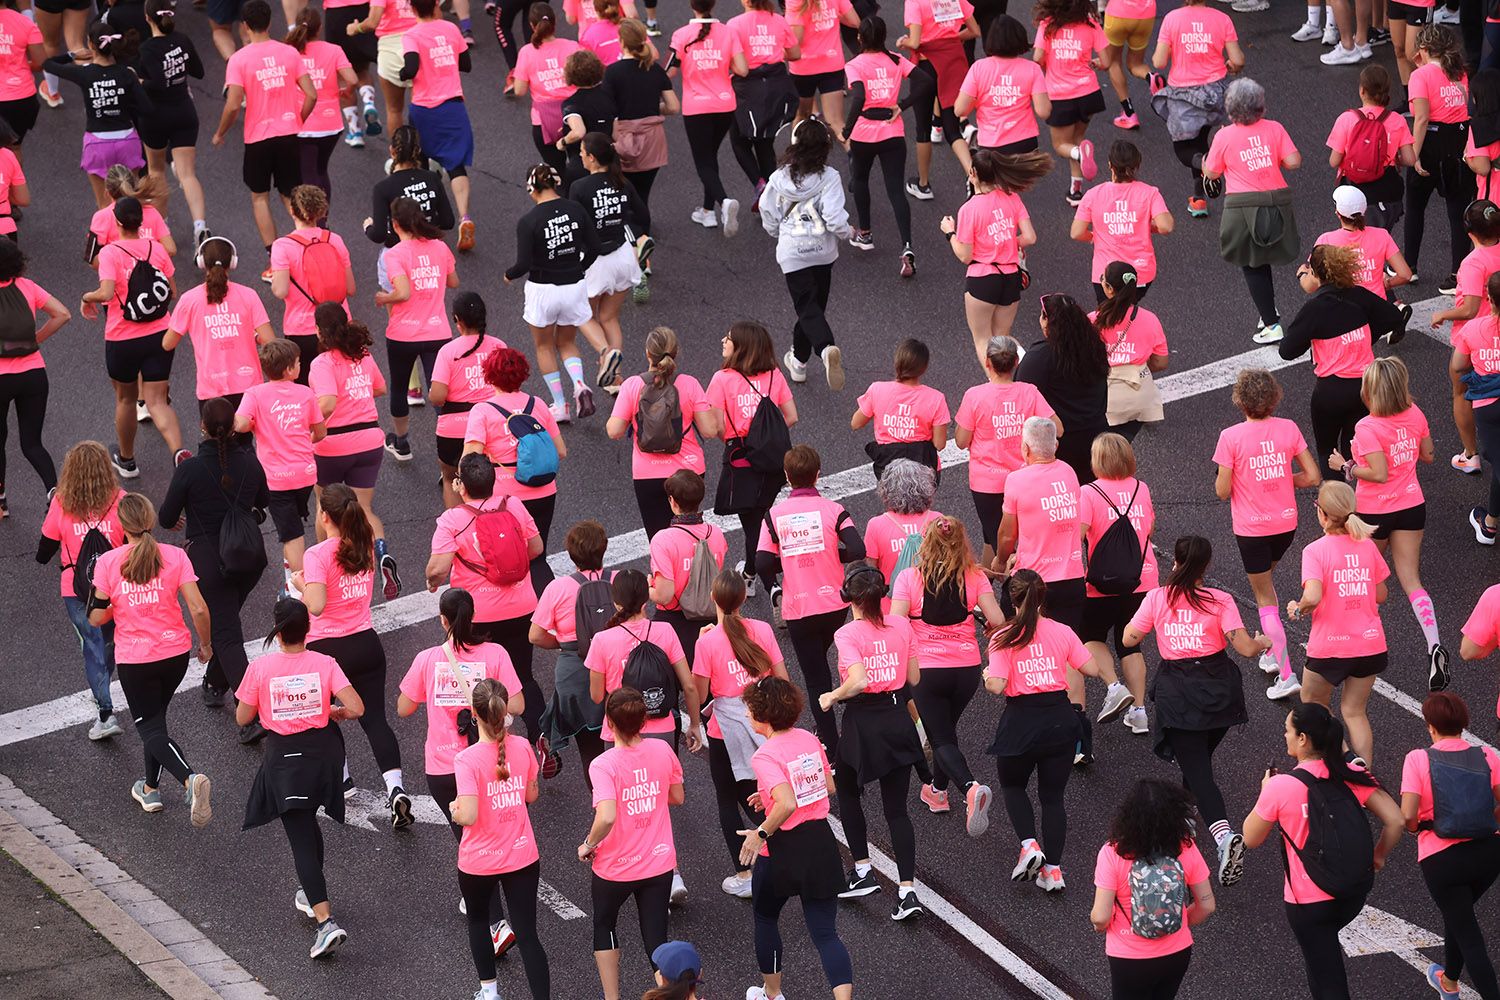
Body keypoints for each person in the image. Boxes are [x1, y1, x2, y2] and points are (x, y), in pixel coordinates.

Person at [1123, 535, 1270, 886]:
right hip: (1220, 688)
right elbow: (1246, 649)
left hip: (1180, 691)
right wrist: (1263, 641)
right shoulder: (1220, 599)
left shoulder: (1158, 597)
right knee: (1198, 760)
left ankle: (1223, 838)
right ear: (1206, 566)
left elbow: (1130, 638)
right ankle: (1188, 817)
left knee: (1199, 770)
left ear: (1174, 560)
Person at [1241, 703, 1404, 1000]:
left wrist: (1266, 791)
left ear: (1303, 738)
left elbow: (1250, 839)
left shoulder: (1280, 786)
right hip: (1353, 892)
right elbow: (1396, 820)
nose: (1285, 736)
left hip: (1308, 903)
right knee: (1319, 963)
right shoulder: (1351, 773)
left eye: (1288, 730)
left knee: (1329, 980)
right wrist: (1378, 855)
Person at [395, 589, 525, 957]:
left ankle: (495, 922)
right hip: (487, 759)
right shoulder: (495, 654)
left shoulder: (428, 659)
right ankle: (495, 912)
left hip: (443, 766)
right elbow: (517, 703)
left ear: (443, 619)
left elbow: (404, 707)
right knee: (493, 832)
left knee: (469, 840)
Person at [235, 598, 362, 959]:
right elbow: (357, 708)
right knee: (308, 824)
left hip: (285, 758)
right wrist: (332, 710)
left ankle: (325, 923)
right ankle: (310, 893)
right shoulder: (325, 663)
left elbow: (243, 717)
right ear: (307, 629)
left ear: (277, 632)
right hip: (322, 755)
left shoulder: (261, 668)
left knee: (301, 837)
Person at [89, 493, 213, 826]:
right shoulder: (175, 556)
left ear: (121, 525)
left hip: (136, 659)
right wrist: (206, 645)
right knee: (155, 721)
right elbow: (198, 607)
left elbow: (95, 618)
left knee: (149, 729)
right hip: (175, 655)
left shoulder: (108, 562)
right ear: (150, 520)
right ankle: (150, 788)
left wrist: (118, 601)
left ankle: (190, 780)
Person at [295, 482, 412, 826]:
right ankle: (395, 789)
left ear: (324, 516)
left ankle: (343, 780)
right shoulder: (364, 546)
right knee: (375, 720)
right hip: (366, 643)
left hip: (327, 650)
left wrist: (301, 586)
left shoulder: (317, 555)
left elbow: (315, 606)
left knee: (326, 715)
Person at [1327, 358, 1445, 690]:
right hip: (1411, 505)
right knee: (1412, 580)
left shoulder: (1366, 427)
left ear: (1370, 390)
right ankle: (1433, 643)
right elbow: (1430, 454)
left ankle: (1359, 645)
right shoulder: (1415, 414)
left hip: (1373, 512)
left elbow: (1377, 474)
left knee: (1364, 579)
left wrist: (1345, 466)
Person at [158, 397, 270, 737]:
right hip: (249, 557)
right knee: (226, 623)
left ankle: (251, 716)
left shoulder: (189, 469)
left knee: (226, 634)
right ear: (235, 427)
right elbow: (262, 501)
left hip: (209, 562)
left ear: (202, 428)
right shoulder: (250, 463)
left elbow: (165, 517)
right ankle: (214, 683)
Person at [741, 675, 854, 1000]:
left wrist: (760, 832)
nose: (747, 715)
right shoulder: (806, 737)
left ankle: (772, 994)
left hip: (781, 849)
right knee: (825, 933)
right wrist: (770, 795)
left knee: (765, 917)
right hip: (819, 841)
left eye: (750, 710)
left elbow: (788, 802)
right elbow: (827, 787)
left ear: (763, 715)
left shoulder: (764, 756)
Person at [821, 564, 924, 918]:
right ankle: (907, 892)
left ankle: (863, 870)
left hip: (863, 723)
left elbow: (859, 682)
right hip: (897, 719)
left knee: (847, 790)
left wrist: (832, 696)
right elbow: (913, 676)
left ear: (850, 599)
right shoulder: (901, 623)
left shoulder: (847, 634)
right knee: (897, 810)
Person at [425, 453, 547, 747]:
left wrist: (432, 579)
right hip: (522, 607)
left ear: (460, 486)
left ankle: (487, 744)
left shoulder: (452, 519)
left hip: (478, 615)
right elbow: (536, 547)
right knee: (522, 675)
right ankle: (540, 735)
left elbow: (438, 568)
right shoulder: (514, 505)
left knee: (479, 682)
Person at [985, 570, 1098, 890]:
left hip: (1022, 720)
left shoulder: (1002, 637)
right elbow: (1089, 668)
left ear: (1013, 599)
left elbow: (997, 685)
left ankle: (1029, 845)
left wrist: (986, 676)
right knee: (1053, 798)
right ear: (1042, 596)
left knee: (1012, 785)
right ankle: (1053, 871)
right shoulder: (1061, 631)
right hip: (1061, 719)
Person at [890, 515, 1002, 834]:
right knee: (946, 732)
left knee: (939, 737)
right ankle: (938, 792)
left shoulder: (909, 578)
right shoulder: (974, 576)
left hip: (927, 670)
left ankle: (968, 788)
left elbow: (897, 626)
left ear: (925, 543)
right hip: (966, 669)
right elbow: (997, 618)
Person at [756, 444, 867, 754]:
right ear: (818, 475)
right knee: (827, 661)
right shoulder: (834, 510)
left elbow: (763, 562)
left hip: (799, 609)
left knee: (816, 676)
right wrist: (830, 552)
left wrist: (790, 558)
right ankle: (841, 722)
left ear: (788, 477)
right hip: (835, 605)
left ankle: (831, 745)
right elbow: (857, 550)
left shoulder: (773, 516)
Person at [580, 687, 685, 1000]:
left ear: (609, 724)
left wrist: (588, 843)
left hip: (615, 866)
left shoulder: (603, 764)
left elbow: (607, 816)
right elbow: (677, 797)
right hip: (659, 862)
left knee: (605, 925)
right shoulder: (662, 751)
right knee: (656, 938)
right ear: (643, 722)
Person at [452, 677, 551, 1000]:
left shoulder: (467, 759)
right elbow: (531, 795)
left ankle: (489, 991)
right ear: (505, 710)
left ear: (474, 714)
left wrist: (454, 809)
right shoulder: (522, 747)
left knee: (479, 921)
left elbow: (467, 815)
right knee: (528, 934)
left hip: (479, 860)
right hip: (522, 855)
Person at [692, 569, 788, 898]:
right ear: (744, 599)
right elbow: (783, 678)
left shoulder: (707, 642)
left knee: (728, 800)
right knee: (760, 794)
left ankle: (744, 872)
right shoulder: (761, 629)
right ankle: (780, 847)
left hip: (724, 732)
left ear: (713, 599)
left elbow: (701, 692)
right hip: (763, 725)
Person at [1401, 691, 1500, 1000]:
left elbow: (1407, 814)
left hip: (1442, 859)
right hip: (1489, 853)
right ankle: (1449, 982)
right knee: (1459, 915)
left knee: (1470, 937)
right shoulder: (1487, 755)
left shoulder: (1418, 759)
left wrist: (1417, 829)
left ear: (1431, 726)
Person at [80, 196, 186, 478]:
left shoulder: (110, 253)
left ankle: (127, 461)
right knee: (158, 401)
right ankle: (180, 455)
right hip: (159, 334)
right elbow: (172, 291)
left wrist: (86, 298)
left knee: (126, 400)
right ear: (142, 222)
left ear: (116, 222)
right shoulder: (156, 248)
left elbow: (104, 293)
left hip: (122, 337)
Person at [1281, 243, 1407, 479]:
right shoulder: (1358, 295)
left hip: (1330, 391)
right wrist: (1368, 336)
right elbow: (1393, 317)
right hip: (1365, 389)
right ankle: (1361, 496)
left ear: (1316, 274)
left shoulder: (1314, 309)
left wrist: (1313, 337)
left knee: (1328, 452)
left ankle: (1337, 507)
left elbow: (1286, 351)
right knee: (1356, 449)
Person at [1288, 481, 1389, 767]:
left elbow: (1314, 595)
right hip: (1370, 643)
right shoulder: (1367, 546)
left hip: (1330, 647)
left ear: (1322, 514)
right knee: (1355, 711)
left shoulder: (1315, 551)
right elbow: (1381, 593)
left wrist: (1298, 608)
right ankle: (1364, 776)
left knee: (1313, 707)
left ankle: (1343, 755)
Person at [1090, 779, 1217, 1000]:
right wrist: (1178, 922)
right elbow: (1206, 905)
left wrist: (1099, 924)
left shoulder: (1113, 852)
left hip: (1128, 958)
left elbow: (1100, 917)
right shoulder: (1186, 848)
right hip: (1177, 952)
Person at [505, 163, 613, 423]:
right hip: (574, 286)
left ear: (532, 187)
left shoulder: (528, 220)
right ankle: (580, 385)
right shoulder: (575, 209)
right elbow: (596, 247)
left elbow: (523, 264)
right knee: (566, 342)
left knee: (544, 347)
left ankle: (561, 405)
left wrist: (508, 275)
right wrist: (579, 267)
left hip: (543, 291)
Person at [212, 0, 317, 267]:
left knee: (259, 197)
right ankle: (307, 245)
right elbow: (311, 95)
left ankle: (275, 260)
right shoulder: (289, 53)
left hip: (258, 139)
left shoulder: (238, 59)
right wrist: (297, 120)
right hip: (288, 134)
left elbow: (234, 103)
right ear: (270, 22)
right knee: (290, 194)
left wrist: (220, 132)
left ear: (245, 26)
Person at [308, 307, 400, 600]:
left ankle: (325, 569)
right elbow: (381, 388)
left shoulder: (322, 362)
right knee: (364, 508)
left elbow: (327, 403)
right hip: (369, 439)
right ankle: (381, 553)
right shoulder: (364, 355)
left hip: (332, 444)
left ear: (321, 331)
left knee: (324, 509)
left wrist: (304, 420)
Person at [1201, 78, 1302, 344]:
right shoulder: (1275, 128)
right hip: (1277, 201)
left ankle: (1271, 324)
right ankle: (1268, 311)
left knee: (1251, 263)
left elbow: (1211, 172)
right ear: (1260, 105)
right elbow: (1293, 162)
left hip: (1242, 205)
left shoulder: (1223, 135)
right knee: (1263, 259)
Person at [37, 442, 125, 740]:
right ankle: (106, 689)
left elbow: (44, 549)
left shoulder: (62, 503)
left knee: (92, 646)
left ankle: (105, 712)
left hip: (76, 590)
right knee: (109, 642)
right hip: (115, 589)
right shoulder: (120, 500)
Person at [463, 347, 568, 595]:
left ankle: (514, 613)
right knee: (537, 556)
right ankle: (550, 610)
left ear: (488, 375)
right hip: (543, 492)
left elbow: (470, 458)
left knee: (505, 558)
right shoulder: (538, 404)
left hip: (504, 499)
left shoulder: (483, 410)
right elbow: (560, 450)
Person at [760, 118, 852, 390]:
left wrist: (778, 234)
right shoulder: (830, 177)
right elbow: (835, 220)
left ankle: (825, 349)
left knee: (807, 309)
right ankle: (799, 362)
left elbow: (768, 212)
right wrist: (849, 233)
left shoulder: (778, 178)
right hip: (823, 252)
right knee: (813, 309)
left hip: (793, 253)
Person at [940, 150, 1052, 366]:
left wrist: (949, 232)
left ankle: (996, 387)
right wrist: (1008, 243)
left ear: (973, 173)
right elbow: (1030, 237)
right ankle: (1028, 369)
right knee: (1004, 336)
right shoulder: (1012, 197)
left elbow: (965, 255)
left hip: (983, 278)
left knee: (983, 339)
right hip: (1010, 276)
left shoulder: (969, 209)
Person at [708, 319, 797, 589]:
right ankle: (749, 573)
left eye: (728, 338)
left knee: (754, 527)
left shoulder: (722, 379)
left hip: (741, 459)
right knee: (761, 517)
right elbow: (791, 416)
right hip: (772, 459)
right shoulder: (774, 375)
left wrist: (735, 438)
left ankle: (773, 586)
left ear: (741, 347)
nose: (723, 341)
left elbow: (716, 427)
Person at [954, 336, 1058, 564]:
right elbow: (1056, 428)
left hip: (986, 484)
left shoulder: (974, 395)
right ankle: (987, 589)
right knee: (994, 538)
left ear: (987, 362)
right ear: (1016, 364)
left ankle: (1012, 593)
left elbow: (961, 441)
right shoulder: (1029, 392)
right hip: (1025, 478)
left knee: (1004, 546)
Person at [1078, 433, 1157, 736]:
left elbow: (1080, 533)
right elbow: (1149, 526)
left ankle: (1113, 686)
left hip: (1101, 582)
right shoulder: (1142, 488)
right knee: (1131, 643)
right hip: (1142, 578)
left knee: (1091, 635)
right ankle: (1139, 712)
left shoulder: (1089, 492)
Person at [606, 326, 717, 537]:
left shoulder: (633, 385)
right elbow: (710, 430)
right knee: (691, 535)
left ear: (648, 353)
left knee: (659, 540)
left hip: (648, 474)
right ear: (676, 353)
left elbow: (614, 431)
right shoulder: (690, 384)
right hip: (689, 472)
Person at [234, 341, 325, 593]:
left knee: (292, 534)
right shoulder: (306, 394)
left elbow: (240, 424)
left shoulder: (254, 394)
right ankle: (292, 571)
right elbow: (320, 431)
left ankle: (302, 587)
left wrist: (249, 423)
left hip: (276, 479)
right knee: (294, 523)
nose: (300, 365)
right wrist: (307, 440)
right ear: (288, 369)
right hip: (306, 475)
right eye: (297, 362)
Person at [374, 197, 459, 462]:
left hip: (403, 334)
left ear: (395, 224)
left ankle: (401, 443)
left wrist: (383, 298)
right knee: (440, 392)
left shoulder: (394, 254)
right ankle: (452, 446)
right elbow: (453, 282)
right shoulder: (440, 247)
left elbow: (403, 292)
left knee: (399, 388)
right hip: (438, 332)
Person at [586, 569, 703, 759]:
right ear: (645, 600)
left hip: (618, 733)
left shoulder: (601, 640)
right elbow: (689, 686)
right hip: (662, 730)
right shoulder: (665, 630)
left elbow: (597, 696)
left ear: (616, 604)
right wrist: (695, 725)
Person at [530, 520, 611, 784]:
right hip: (616, 666)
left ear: (570, 553)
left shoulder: (558, 589)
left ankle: (549, 735)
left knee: (590, 750)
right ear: (604, 548)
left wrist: (564, 644)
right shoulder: (621, 580)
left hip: (574, 669)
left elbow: (536, 635)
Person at [1148, 0, 1241, 218]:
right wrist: (1231, 65)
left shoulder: (1172, 19)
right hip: (1216, 95)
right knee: (1200, 141)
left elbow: (1159, 62)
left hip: (1185, 98)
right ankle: (1198, 198)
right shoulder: (1222, 18)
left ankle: (1208, 167)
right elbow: (1237, 59)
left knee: (1184, 149)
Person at [843, 16, 922, 270]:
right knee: (896, 191)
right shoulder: (895, 59)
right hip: (892, 133)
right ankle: (907, 245)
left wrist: (846, 129)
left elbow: (858, 98)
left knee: (860, 180)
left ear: (860, 38)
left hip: (863, 134)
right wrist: (902, 106)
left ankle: (865, 234)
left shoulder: (855, 64)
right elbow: (927, 82)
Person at [162, 237, 276, 411]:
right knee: (244, 439)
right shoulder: (249, 295)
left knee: (216, 438)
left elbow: (167, 344)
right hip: (249, 386)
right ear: (232, 262)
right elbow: (270, 341)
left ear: (201, 262)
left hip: (211, 389)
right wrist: (252, 335)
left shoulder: (189, 300)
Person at [45, 23, 149, 208]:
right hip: (127, 142)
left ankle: (105, 236)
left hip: (97, 145)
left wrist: (72, 55)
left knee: (103, 205)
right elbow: (147, 108)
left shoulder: (84, 73)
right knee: (133, 201)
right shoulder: (126, 74)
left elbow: (48, 64)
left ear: (91, 45)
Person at [668, 0, 749, 233]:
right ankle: (707, 212)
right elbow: (742, 69)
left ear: (692, 6)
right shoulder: (728, 32)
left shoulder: (682, 34)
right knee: (710, 158)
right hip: (725, 104)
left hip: (697, 107)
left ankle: (723, 202)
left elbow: (670, 72)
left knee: (704, 162)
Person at [569, 132, 647, 371]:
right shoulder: (622, 182)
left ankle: (607, 355)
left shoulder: (579, 187)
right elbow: (643, 217)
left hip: (594, 262)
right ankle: (615, 377)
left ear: (592, 158)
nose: (580, 156)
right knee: (609, 317)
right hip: (623, 257)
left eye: (582, 152)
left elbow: (575, 227)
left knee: (583, 314)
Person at [401, 0, 476, 245]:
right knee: (456, 165)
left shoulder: (411, 35)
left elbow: (411, 67)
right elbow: (466, 64)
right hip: (452, 106)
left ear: (412, 9)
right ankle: (464, 216)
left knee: (421, 165)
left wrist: (402, 73)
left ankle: (426, 221)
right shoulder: (451, 29)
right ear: (436, 5)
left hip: (424, 109)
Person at [1406, 25, 1474, 292]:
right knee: (1458, 213)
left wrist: (1413, 154)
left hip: (1431, 143)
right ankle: (1458, 274)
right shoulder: (1460, 72)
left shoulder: (1420, 75)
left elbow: (1421, 118)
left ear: (1422, 49)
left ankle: (1409, 266)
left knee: (1415, 207)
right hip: (1458, 142)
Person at [604, 17, 677, 262]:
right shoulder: (654, 69)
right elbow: (674, 107)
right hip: (653, 140)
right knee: (642, 195)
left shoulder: (612, 73)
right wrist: (652, 110)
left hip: (624, 141)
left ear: (621, 42)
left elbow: (607, 110)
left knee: (623, 197)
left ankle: (633, 249)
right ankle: (644, 247)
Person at [0, 238, 66, 509]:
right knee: (32, 443)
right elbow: (62, 314)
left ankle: (1, 500)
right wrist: (35, 339)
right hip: (34, 374)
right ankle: (55, 493)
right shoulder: (27, 287)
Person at [1016, 293, 1109, 483]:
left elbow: (1023, 395)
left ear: (1047, 321)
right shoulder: (1094, 346)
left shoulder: (1039, 357)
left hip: (1062, 444)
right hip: (1098, 435)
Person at [1436, 200, 1500, 474]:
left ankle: (1470, 454)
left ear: (1469, 231)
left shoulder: (1473, 262)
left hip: (1476, 338)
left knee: (1461, 391)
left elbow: (1470, 308)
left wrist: (1443, 315)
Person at [271, 185, 357, 381]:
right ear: (320, 211)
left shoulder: (282, 246)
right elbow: (350, 288)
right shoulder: (335, 240)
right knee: (340, 386)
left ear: (292, 210)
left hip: (302, 330)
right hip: (340, 325)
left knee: (307, 392)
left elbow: (281, 290)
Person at [137, 2, 206, 239]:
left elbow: (156, 82)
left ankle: (162, 226)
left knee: (156, 170)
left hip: (155, 115)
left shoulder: (148, 48)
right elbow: (199, 72)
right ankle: (200, 225)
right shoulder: (182, 39)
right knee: (187, 174)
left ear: (147, 18)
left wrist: (140, 82)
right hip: (184, 111)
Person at [897, 0, 979, 200]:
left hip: (925, 67)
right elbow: (975, 30)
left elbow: (915, 42)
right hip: (953, 64)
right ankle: (975, 178)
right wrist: (952, 39)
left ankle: (923, 185)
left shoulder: (915, 2)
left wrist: (903, 42)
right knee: (952, 129)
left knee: (923, 129)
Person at [1071, 142, 1172, 303]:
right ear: (1137, 165)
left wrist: (1093, 236)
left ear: (1110, 164)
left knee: (1106, 316)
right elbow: (1166, 226)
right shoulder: (1149, 193)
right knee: (1128, 309)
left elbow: (1076, 232)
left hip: (1105, 275)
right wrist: (1145, 226)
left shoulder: (1093, 194)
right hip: (1140, 272)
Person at [430, 293, 504, 508]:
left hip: (453, 430)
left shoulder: (447, 351)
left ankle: (458, 529)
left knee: (451, 477)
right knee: (492, 476)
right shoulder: (498, 346)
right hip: (493, 424)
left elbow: (437, 397)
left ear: (457, 320)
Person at [1032, 0, 1109, 206]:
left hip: (1060, 95)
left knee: (1060, 146)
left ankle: (1078, 156)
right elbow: (1107, 61)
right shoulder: (1091, 23)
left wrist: (1049, 63)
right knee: (1077, 138)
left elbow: (1037, 57)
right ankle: (1076, 190)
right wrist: (1095, 63)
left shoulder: (1047, 24)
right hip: (1089, 93)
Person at [648, 469, 729, 661]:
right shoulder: (716, 534)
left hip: (674, 624)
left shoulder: (663, 540)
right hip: (711, 619)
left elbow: (664, 596)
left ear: (673, 502)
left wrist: (647, 588)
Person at [724, 0, 798, 209]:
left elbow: (733, 61)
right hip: (776, 83)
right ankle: (772, 196)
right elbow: (795, 54)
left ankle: (760, 186)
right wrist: (772, 52)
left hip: (747, 87)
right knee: (765, 142)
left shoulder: (734, 24)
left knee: (738, 141)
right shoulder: (780, 21)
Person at [1326, 65, 1416, 233]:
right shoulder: (1397, 120)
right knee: (1380, 240)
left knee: (1355, 242)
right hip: (1386, 191)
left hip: (1354, 191)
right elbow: (1410, 159)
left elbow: (1334, 161)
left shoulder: (1347, 119)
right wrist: (1395, 158)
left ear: (1362, 90)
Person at [853, 338, 950, 480]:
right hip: (924, 467)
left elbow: (856, 423)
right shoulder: (936, 398)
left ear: (897, 362)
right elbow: (939, 444)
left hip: (888, 467)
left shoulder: (877, 390)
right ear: (924, 367)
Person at [1092, 261, 1168, 440]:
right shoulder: (1150, 319)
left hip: (1106, 399)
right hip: (1139, 397)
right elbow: (1161, 362)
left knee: (1103, 446)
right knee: (1123, 442)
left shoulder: (1093, 321)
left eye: (1103, 279)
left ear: (1109, 288)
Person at [287, 8, 357, 202]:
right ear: (319, 29)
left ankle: (314, 222)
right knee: (321, 169)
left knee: (307, 174)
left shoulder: (291, 52)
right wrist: (345, 92)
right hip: (331, 125)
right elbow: (352, 79)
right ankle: (323, 218)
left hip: (304, 123)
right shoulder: (334, 50)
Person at [956, 15, 1049, 157]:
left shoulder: (979, 68)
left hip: (990, 144)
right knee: (1021, 179)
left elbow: (960, 110)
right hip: (1025, 142)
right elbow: (1044, 111)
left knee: (994, 179)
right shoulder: (1032, 69)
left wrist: (977, 102)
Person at [1452, 272, 1500, 544]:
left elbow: (1459, 365)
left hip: (1488, 408)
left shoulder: (1473, 329)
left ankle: (1490, 525)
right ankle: (1489, 523)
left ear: (1490, 300)